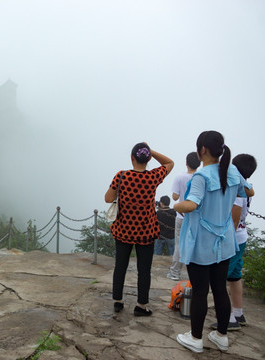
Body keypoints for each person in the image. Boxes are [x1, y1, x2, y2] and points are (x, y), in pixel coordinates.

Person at [174, 131, 254, 353]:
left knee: (200, 291)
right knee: (219, 288)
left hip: (202, 242)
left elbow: (191, 205)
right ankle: (221, 336)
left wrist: (176, 206)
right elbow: (250, 191)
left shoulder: (201, 177)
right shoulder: (232, 171)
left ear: (202, 150)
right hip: (225, 241)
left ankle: (196, 338)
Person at [104, 143, 174, 316]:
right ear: (148, 159)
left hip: (123, 231)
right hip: (146, 232)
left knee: (120, 266)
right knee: (144, 270)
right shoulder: (153, 177)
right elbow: (170, 163)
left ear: (132, 158)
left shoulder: (121, 176)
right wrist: (152, 151)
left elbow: (108, 198)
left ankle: (118, 301)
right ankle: (141, 306)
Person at [211, 154, 257, 331]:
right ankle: (238, 313)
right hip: (242, 237)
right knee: (234, 276)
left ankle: (229, 319)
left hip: (233, 239)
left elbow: (234, 218)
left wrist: (225, 240)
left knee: (220, 278)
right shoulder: (248, 187)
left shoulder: (238, 190)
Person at [167, 152, 200, 280]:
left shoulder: (179, 177)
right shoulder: (201, 177)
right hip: (196, 216)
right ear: (199, 164)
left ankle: (175, 273)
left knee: (179, 244)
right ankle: (196, 274)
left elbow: (175, 196)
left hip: (181, 216)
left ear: (186, 163)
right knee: (196, 244)